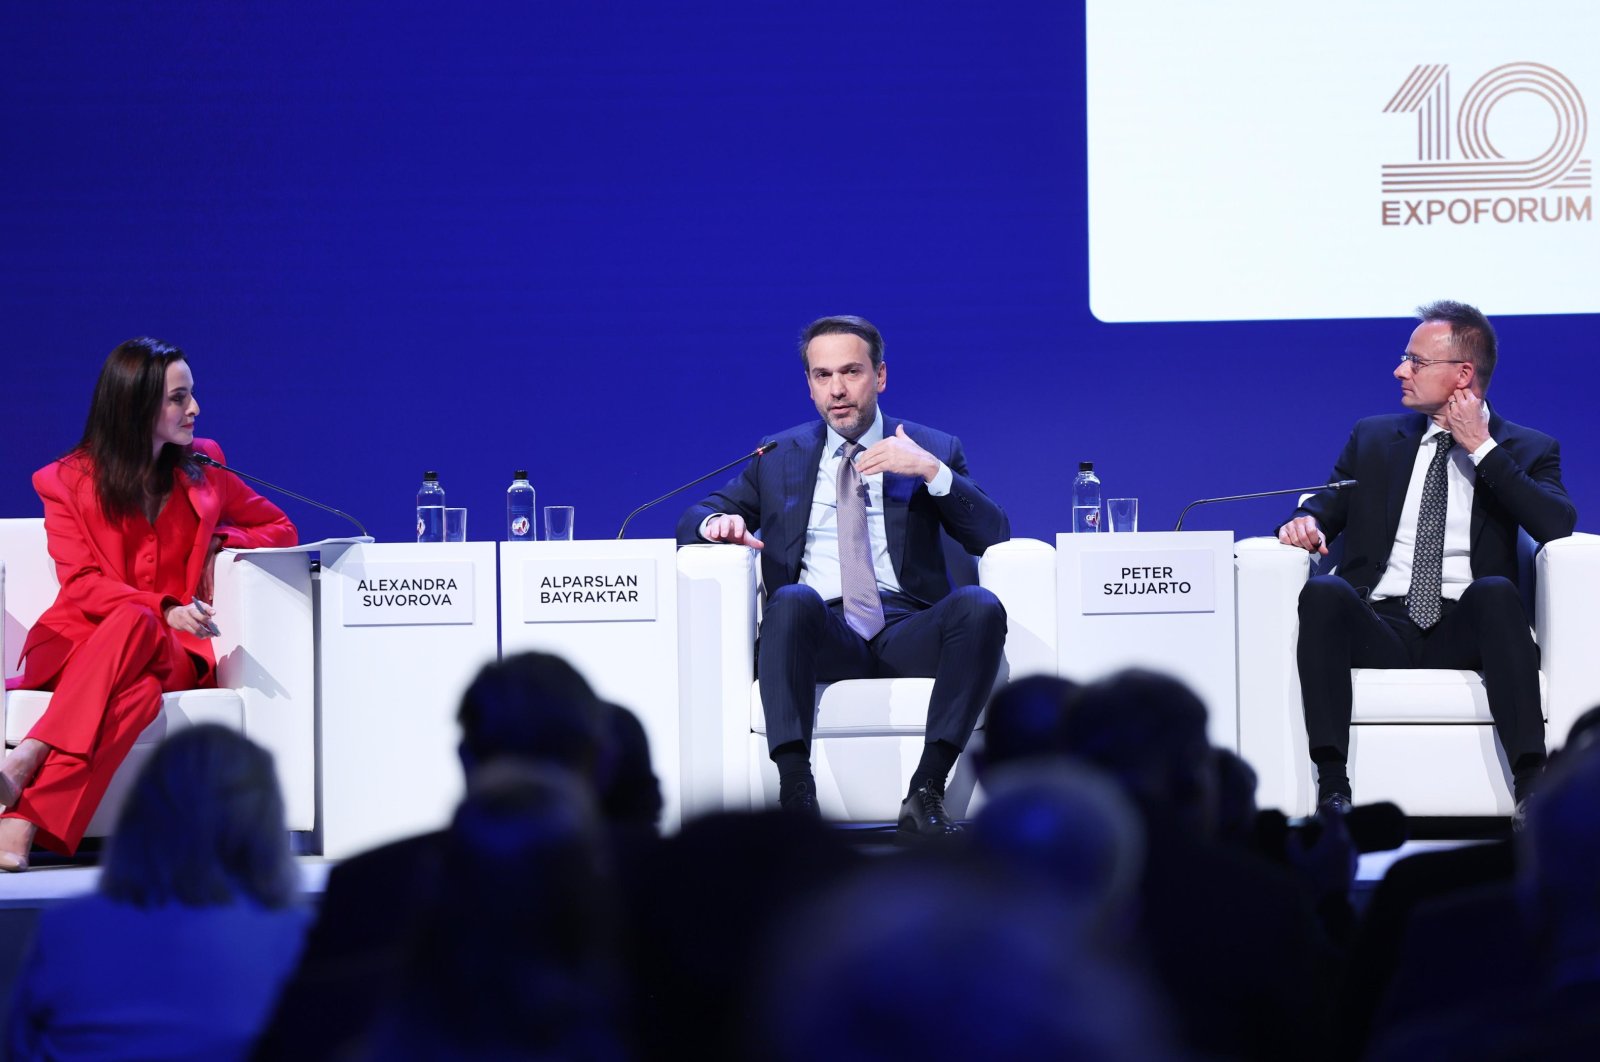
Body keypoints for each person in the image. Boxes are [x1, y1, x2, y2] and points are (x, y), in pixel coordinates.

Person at [675, 315, 1009, 837]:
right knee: (790, 600)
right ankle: (795, 795)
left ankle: (926, 790)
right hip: (822, 629)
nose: (837, 390)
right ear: (809, 385)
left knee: (979, 606)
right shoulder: (779, 453)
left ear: (880, 376)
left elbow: (992, 533)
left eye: (850, 372)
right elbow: (695, 515)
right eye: (822, 375)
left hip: (906, 628)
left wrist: (929, 472)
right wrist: (721, 522)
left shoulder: (932, 446)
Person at [0, 337, 296, 870]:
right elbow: (83, 583)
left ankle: (29, 756)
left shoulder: (205, 468)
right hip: (81, 644)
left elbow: (281, 527)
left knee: (141, 626)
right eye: (179, 398)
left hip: (173, 650)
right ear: (137, 407)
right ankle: (22, 824)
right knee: (135, 692)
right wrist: (162, 606)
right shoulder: (66, 481)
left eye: (192, 395)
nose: (195, 409)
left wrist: (222, 539)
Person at [1278, 301, 1575, 822]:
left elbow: (1556, 525)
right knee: (1324, 592)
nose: (1400, 371)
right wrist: (1305, 524)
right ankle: (1332, 789)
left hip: (1468, 627)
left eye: (1416, 362)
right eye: (1404, 359)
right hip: (1382, 623)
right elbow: (1326, 504)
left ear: (1463, 375)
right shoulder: (1374, 438)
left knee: (1497, 591)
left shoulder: (1526, 448)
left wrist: (1481, 448)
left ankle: (1533, 788)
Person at [7, 724, 310, 1061]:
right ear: (265, 819)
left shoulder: (65, 928)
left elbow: (19, 1048)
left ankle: (28, 770)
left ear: (140, 811)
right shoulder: (297, 936)